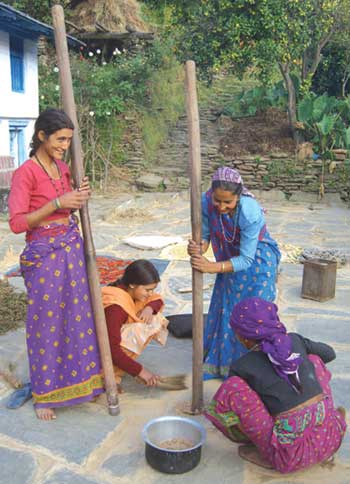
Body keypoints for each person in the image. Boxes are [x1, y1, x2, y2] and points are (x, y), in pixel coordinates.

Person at [8, 108, 104, 421]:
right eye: (60, 139)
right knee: (45, 323)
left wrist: (79, 193)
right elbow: (17, 222)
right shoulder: (26, 173)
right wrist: (57, 204)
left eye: (68, 140)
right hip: (44, 254)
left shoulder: (62, 168)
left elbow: (68, 205)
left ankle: (82, 382)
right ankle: (45, 393)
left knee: (77, 316)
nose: (65, 145)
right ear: (41, 136)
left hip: (70, 249)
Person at [205, 297, 347, 473]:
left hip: (288, 458)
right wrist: (293, 364)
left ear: (244, 338)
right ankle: (330, 418)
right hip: (330, 439)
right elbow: (329, 354)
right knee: (314, 360)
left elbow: (230, 411)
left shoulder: (242, 366)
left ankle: (267, 449)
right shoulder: (295, 339)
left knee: (234, 388)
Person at [188, 166, 281, 380]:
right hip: (230, 256)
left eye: (227, 202)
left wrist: (212, 267)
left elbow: (247, 259)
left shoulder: (250, 211)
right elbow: (206, 235)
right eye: (217, 201)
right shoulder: (204, 203)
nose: (221, 207)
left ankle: (257, 368)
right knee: (228, 307)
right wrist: (198, 247)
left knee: (255, 313)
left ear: (238, 196)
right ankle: (223, 364)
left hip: (258, 260)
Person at [102, 259, 168, 391]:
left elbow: (156, 299)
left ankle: (116, 369)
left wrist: (149, 308)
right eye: (147, 290)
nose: (150, 293)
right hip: (96, 351)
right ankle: (105, 375)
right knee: (140, 329)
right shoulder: (116, 308)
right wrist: (140, 372)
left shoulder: (128, 291)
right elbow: (110, 349)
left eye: (152, 289)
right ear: (132, 285)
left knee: (153, 318)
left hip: (107, 345)